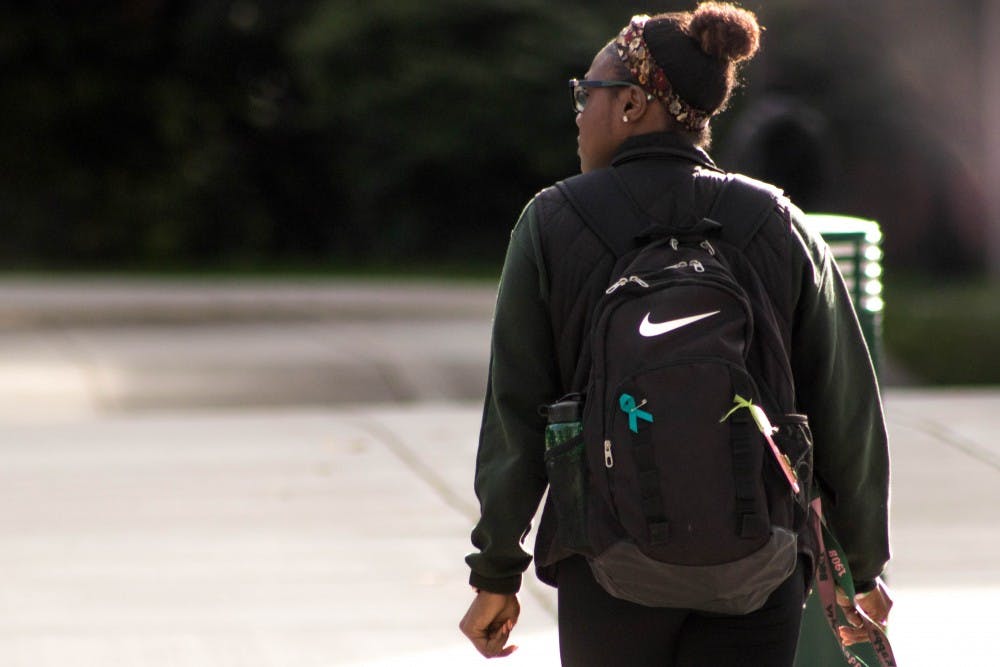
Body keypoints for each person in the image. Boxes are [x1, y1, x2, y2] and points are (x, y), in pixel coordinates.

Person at [459, 3, 892, 665]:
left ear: (632, 105)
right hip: (761, 563)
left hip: (607, 562)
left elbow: (515, 413)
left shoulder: (552, 223)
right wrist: (860, 566)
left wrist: (496, 572)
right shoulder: (777, 221)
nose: (578, 112)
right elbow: (846, 409)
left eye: (588, 93)